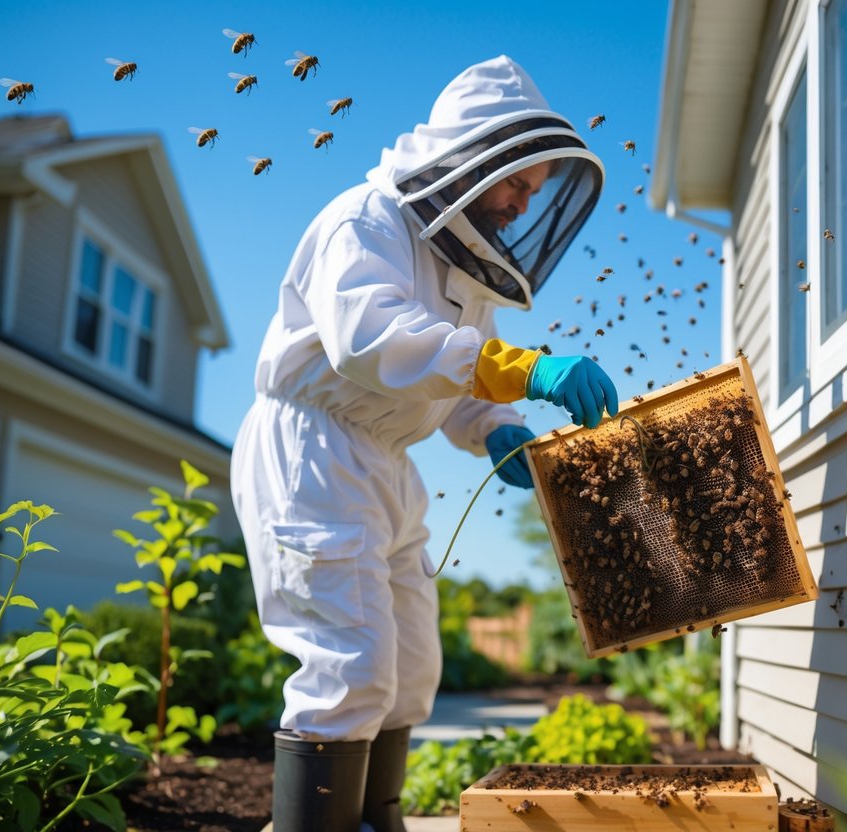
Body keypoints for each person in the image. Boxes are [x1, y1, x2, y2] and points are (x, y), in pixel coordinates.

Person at [230, 55, 617, 832]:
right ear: (476, 157)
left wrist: (501, 430)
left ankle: (376, 821)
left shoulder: (462, 270)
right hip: (314, 453)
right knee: (349, 664)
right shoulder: (364, 222)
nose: (517, 205)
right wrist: (522, 371)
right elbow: (373, 342)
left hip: (388, 466)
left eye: (533, 195)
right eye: (516, 183)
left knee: (409, 666)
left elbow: (452, 384)